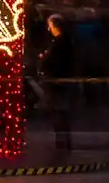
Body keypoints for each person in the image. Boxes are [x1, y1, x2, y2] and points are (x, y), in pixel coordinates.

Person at [39, 16, 77, 156]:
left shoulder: (60, 43)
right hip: (59, 82)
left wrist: (44, 61)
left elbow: (55, 62)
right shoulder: (66, 41)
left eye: (50, 25)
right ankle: (64, 141)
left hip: (57, 83)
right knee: (61, 113)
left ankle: (62, 143)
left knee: (59, 113)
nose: (49, 29)